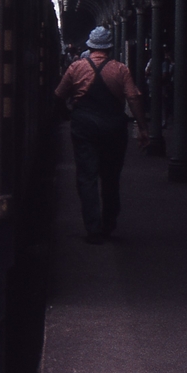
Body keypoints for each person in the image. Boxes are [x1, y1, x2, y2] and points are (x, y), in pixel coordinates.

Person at [56, 25, 150, 243]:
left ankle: (93, 228)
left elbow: (59, 95)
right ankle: (109, 224)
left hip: (84, 127)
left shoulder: (75, 68)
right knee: (111, 178)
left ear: (90, 45)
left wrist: (67, 114)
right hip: (114, 128)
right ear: (109, 47)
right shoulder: (120, 69)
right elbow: (134, 98)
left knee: (86, 177)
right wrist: (143, 128)